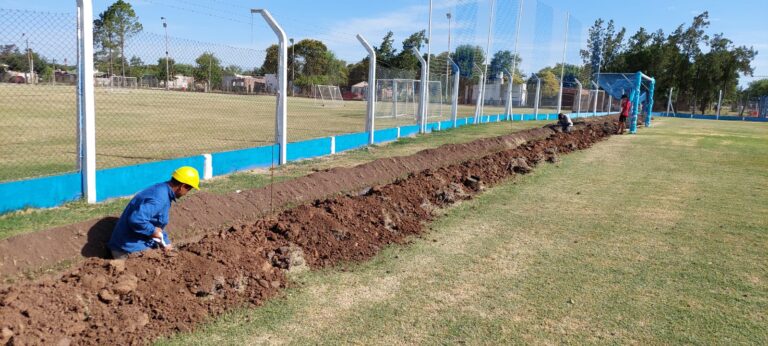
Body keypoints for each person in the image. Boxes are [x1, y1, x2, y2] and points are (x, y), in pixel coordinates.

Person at [107, 166, 200, 259]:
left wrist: (166, 243)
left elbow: (154, 224)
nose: (187, 193)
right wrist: (153, 231)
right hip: (127, 250)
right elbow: (137, 220)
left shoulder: (162, 190)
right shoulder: (160, 198)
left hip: (135, 243)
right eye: (189, 189)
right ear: (182, 186)